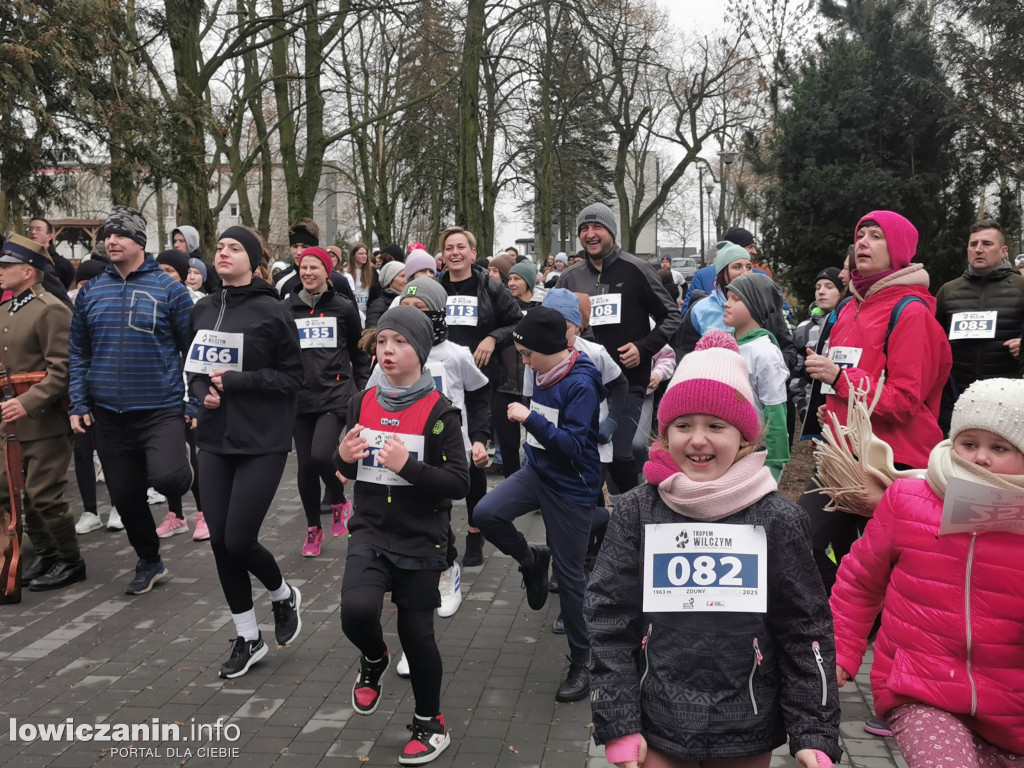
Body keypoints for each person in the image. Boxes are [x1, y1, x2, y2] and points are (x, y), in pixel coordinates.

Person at [586, 330, 841, 768]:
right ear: (665, 434)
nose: (698, 440)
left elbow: (805, 629)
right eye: (683, 426)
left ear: (745, 437)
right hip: (657, 721)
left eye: (716, 426)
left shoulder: (779, 519)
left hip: (748, 722)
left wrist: (813, 731)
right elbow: (609, 619)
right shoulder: (637, 512)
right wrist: (619, 722)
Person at [830, 378, 1024, 767]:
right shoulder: (908, 501)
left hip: (1011, 706)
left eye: (999, 447)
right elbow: (860, 580)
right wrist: (842, 650)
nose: (980, 458)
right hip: (921, 689)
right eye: (969, 444)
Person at [336, 306, 470, 765]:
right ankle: (372, 658)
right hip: (370, 530)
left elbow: (459, 483)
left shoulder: (440, 412)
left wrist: (408, 467)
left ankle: (430, 724)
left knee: (417, 637)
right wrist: (342, 455)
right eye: (383, 343)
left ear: (421, 351)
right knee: (355, 612)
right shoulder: (361, 401)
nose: (388, 351)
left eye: (400, 343)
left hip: (421, 538)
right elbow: (344, 469)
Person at [188, 226, 304, 678]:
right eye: (219, 247)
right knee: (219, 543)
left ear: (254, 260)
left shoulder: (273, 312)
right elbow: (195, 371)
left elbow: (293, 379)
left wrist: (237, 383)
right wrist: (203, 394)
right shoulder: (202, 309)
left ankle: (281, 593)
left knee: (238, 538)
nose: (223, 253)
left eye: (234, 248)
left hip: (262, 440)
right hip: (214, 439)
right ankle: (248, 636)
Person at [474, 308, 605, 703]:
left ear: (550, 349)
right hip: (537, 473)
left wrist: (530, 419)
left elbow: (573, 446)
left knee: (570, 580)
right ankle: (532, 558)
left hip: (571, 485)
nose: (525, 363)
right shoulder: (543, 370)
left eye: (529, 355)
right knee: (485, 514)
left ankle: (584, 662)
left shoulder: (580, 383)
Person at [69, 206, 195, 595]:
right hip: (108, 413)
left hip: (159, 408)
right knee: (124, 495)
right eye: (107, 235)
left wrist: (192, 403)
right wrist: (78, 402)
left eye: (119, 235)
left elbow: (192, 350)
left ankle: (179, 475)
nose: (111, 241)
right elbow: (78, 351)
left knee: (168, 477)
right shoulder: (91, 291)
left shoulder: (170, 290)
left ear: (139, 241)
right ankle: (149, 560)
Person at [556, 202, 680, 494]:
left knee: (622, 453)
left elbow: (671, 315)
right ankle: (591, 522)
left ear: (610, 230)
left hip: (628, 382)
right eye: (584, 228)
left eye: (597, 226)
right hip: (582, 384)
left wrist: (644, 348)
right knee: (585, 457)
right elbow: (551, 323)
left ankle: (629, 511)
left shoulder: (637, 269)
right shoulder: (570, 277)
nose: (590, 234)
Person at [0, 235, 84, 591]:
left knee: (43, 493)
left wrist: (29, 401)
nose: (0, 271)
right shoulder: (5, 309)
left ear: (29, 272)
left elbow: (62, 369)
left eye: (6, 266)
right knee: (13, 490)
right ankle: (46, 553)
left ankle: (70, 560)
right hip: (10, 420)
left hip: (43, 420)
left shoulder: (51, 308)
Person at [438, 226, 523, 565]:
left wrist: (492, 338)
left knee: (473, 458)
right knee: (437, 458)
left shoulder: (491, 287)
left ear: (474, 254)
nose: (454, 252)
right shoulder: (435, 287)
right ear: (443, 255)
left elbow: (517, 323)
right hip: (441, 384)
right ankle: (441, 536)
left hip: (480, 385)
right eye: (448, 248)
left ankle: (475, 533)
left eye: (461, 247)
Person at [286, 246, 369, 557]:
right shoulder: (288, 308)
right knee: (305, 466)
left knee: (322, 455)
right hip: (301, 396)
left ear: (327, 272)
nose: (308, 273)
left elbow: (358, 353)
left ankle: (338, 498)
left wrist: (361, 389)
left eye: (314, 268)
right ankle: (313, 529)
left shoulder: (343, 307)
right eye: (303, 267)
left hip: (336, 393)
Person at [934, 218, 1024, 434]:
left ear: (1003, 251)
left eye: (986, 244)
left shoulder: (1021, 287)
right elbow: (932, 342)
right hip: (957, 397)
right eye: (973, 244)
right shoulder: (948, 291)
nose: (978, 249)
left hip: (1009, 399)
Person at [153, 250, 207, 542]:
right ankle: (176, 515)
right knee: (171, 458)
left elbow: (194, 356)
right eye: (159, 269)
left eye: (170, 271)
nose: (163, 275)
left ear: (184, 274)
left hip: (189, 393)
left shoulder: (195, 304)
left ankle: (204, 513)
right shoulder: (152, 299)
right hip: (162, 394)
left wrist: (194, 400)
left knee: (195, 455)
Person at [723, 273, 791, 479]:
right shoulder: (722, 343)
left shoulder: (765, 353)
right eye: (728, 297)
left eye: (736, 299)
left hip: (753, 453)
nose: (727, 304)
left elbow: (775, 411)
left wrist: (775, 464)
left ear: (756, 306)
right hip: (723, 447)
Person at [493, 260, 542, 477]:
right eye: (509, 278)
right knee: (508, 444)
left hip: (537, 384)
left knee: (538, 442)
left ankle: (540, 490)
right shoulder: (501, 309)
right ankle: (512, 489)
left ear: (529, 282)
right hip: (505, 385)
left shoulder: (542, 309)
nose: (511, 283)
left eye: (517, 279)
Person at [790, 268, 846, 424]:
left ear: (842, 291)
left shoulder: (851, 324)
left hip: (845, 412)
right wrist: (803, 408)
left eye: (829, 287)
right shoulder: (803, 329)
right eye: (818, 287)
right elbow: (796, 374)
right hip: (813, 414)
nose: (821, 292)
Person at [26, 217, 75, 288]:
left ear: (49, 237)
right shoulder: (22, 260)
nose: (33, 232)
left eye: (38, 229)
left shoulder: (62, 264)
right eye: (30, 229)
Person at [345, 242, 380, 325]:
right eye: (361, 253)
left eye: (365, 254)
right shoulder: (346, 273)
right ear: (353, 255)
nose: (364, 256)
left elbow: (376, 292)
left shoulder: (372, 271)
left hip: (368, 310)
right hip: (353, 310)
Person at [364, 261, 406, 329]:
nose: (406, 280)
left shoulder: (410, 301)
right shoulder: (378, 305)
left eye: (408, 276)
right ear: (389, 279)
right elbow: (370, 333)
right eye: (402, 276)